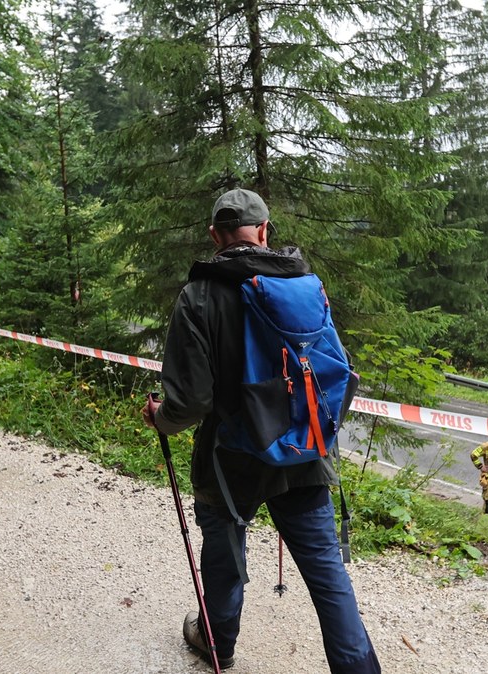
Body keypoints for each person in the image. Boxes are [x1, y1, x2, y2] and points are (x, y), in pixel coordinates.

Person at [141, 188, 381, 674]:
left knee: (225, 561)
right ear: (265, 230)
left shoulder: (199, 295)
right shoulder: (305, 285)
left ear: (215, 237)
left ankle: (218, 643)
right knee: (326, 573)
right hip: (304, 449)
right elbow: (336, 372)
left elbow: (190, 402)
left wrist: (159, 418)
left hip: (232, 458)